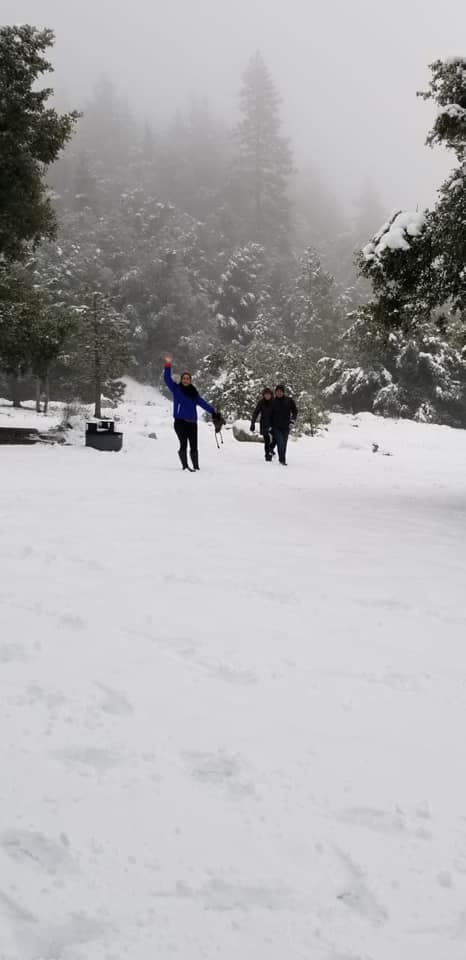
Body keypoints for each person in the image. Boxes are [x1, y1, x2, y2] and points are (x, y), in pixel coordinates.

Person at [163, 356, 216, 471]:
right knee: (183, 444)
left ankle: (196, 467)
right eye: (184, 378)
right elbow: (167, 379)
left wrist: (213, 411)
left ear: (190, 380)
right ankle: (185, 466)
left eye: (188, 378)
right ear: (181, 380)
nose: (186, 380)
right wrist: (168, 365)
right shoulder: (176, 389)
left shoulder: (194, 394)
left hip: (192, 423)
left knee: (194, 446)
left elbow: (203, 403)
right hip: (180, 422)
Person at [270, 384, 298, 466]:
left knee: (284, 443)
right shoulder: (273, 402)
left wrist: (292, 420)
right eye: (277, 392)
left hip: (286, 426)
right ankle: (282, 460)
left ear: (283, 392)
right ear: (275, 392)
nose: (279, 393)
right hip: (276, 426)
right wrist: (269, 425)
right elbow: (269, 414)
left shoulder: (289, 400)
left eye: (280, 392)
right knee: (280, 442)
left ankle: (272, 450)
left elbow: (295, 411)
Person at [250, 387, 275, 461]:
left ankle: (271, 448)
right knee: (266, 440)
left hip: (273, 423)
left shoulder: (275, 402)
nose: (267, 396)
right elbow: (255, 413)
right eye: (266, 395)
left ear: (271, 395)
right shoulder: (261, 402)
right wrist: (252, 423)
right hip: (264, 423)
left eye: (269, 394)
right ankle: (267, 455)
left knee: (276, 438)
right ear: (263, 395)